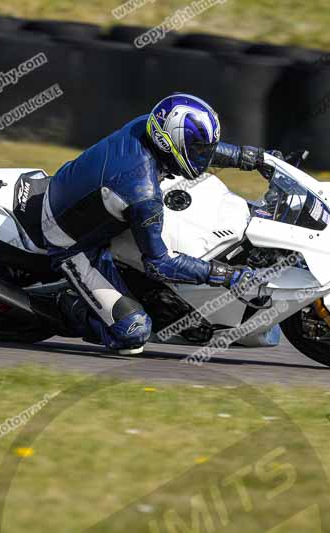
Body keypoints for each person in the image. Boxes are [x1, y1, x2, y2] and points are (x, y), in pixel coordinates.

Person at [39, 93, 279, 354]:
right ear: (166, 144)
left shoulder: (149, 125)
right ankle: (68, 306)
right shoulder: (143, 193)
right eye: (199, 150)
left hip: (82, 196)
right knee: (134, 333)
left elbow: (192, 148)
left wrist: (249, 157)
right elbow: (159, 264)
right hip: (71, 241)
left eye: (205, 147)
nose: (205, 156)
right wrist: (224, 274)